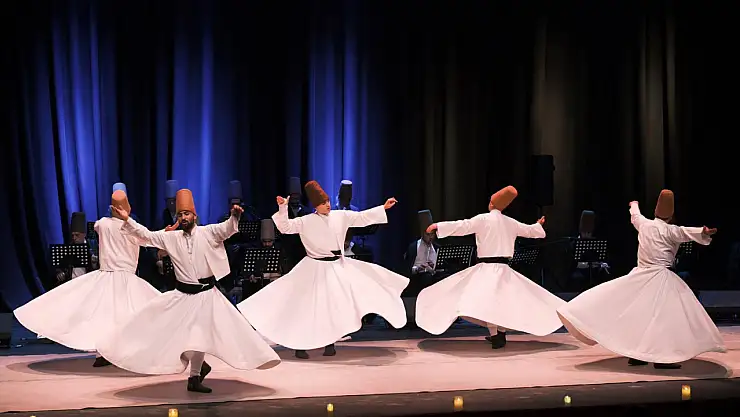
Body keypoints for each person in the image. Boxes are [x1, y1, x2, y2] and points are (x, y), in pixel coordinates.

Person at [101, 189, 280, 393]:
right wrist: (127, 219)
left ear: (194, 216)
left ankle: (194, 377)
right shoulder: (171, 238)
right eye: (180, 215)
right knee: (172, 331)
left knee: (201, 335)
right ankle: (196, 370)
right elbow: (146, 235)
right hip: (183, 295)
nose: (183, 218)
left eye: (186, 214)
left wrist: (235, 217)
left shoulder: (208, 232)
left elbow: (226, 230)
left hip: (206, 295)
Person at [238, 180, 409, 359]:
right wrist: (283, 208)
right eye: (322, 203)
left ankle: (329, 343)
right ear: (315, 206)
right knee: (306, 308)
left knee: (332, 306)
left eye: (327, 201)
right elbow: (285, 227)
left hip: (335, 266)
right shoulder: (306, 221)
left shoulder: (340, 216)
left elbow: (361, 217)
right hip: (313, 267)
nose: (327, 205)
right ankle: (301, 347)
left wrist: (383, 207)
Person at [557, 190, 726, 369]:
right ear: (671, 215)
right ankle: (660, 357)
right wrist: (703, 231)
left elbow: (635, 216)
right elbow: (686, 233)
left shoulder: (645, 225)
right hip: (661, 278)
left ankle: (637, 356)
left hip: (641, 277)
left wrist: (634, 205)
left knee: (639, 317)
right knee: (662, 319)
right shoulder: (671, 231)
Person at [14, 190, 161, 367]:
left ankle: (103, 354)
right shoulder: (132, 228)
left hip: (107, 277)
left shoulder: (103, 224)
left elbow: (99, 225)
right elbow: (148, 238)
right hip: (124, 278)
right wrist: (161, 232)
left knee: (104, 316)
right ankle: (122, 352)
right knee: (128, 316)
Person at [416, 186, 565, 348]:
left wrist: (438, 226)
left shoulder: (483, 219)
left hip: (487, 269)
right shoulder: (510, 222)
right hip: (504, 270)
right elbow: (529, 231)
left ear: (492, 204)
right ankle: (500, 334)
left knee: (488, 303)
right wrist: (537, 226)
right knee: (501, 302)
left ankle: (496, 336)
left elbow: (463, 226)